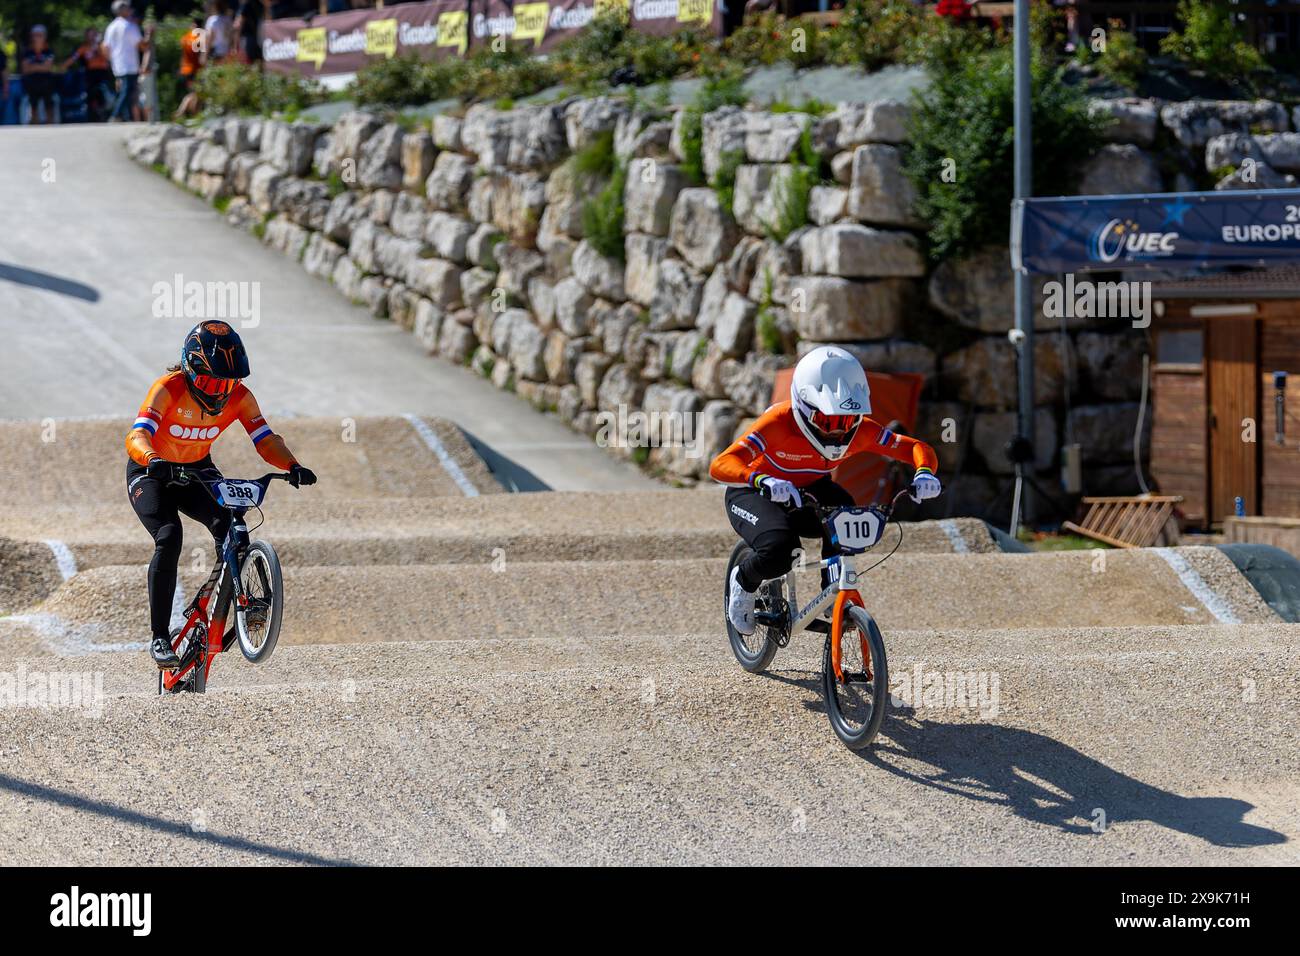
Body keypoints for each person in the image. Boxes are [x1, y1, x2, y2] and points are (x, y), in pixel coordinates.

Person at [710, 346, 942, 635]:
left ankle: (833, 592)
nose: (836, 433)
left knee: (846, 514)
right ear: (803, 408)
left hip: (806, 491)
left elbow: (916, 447)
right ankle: (743, 580)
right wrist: (760, 480)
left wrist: (923, 473)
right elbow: (722, 463)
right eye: (826, 421)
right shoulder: (780, 422)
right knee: (782, 550)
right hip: (754, 490)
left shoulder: (862, 431)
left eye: (845, 421)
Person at [125, 322, 317, 669]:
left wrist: (292, 464)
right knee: (169, 537)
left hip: (197, 470)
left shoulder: (241, 397)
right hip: (153, 473)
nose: (219, 392)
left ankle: (235, 604)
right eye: (211, 382)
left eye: (227, 383)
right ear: (189, 370)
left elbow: (265, 439)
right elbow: (137, 436)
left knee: (231, 525)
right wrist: (153, 459)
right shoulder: (168, 388)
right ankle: (159, 637)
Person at [102, 0, 144, 122]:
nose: (130, 10)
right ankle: (116, 115)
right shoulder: (130, 26)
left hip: (118, 64)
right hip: (130, 64)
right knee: (127, 91)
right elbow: (140, 45)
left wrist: (111, 60)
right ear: (122, 10)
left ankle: (125, 117)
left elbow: (105, 47)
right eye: (128, 8)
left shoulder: (111, 26)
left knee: (124, 90)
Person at [65, 27, 115, 121]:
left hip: (103, 74)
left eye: (94, 35)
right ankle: (92, 117)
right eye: (90, 35)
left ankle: (106, 115)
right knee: (91, 96)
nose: (92, 37)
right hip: (91, 75)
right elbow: (73, 58)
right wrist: (62, 66)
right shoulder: (83, 48)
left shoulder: (102, 46)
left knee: (104, 94)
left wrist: (98, 47)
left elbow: (109, 57)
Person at [20, 25, 58, 125]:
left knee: (49, 106)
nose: (36, 37)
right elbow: (25, 69)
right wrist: (41, 66)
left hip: (47, 82)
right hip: (32, 83)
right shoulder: (27, 51)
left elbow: (48, 67)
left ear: (44, 36)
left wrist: (33, 66)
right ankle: (34, 129)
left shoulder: (49, 50)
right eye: (34, 35)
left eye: (39, 35)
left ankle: (51, 127)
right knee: (33, 106)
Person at [173, 16, 206, 119]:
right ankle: (181, 112)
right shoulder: (198, 37)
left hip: (185, 70)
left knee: (196, 94)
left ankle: (192, 115)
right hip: (195, 70)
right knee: (196, 94)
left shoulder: (186, 36)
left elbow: (183, 51)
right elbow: (198, 53)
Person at [234, 1, 264, 67]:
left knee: (246, 63)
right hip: (259, 38)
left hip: (247, 39)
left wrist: (235, 44)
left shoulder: (246, 5)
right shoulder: (260, 4)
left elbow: (238, 24)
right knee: (259, 63)